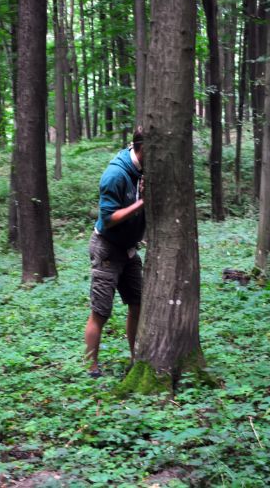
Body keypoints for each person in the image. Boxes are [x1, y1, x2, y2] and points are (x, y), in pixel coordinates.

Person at [84, 127, 145, 377]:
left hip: (129, 250)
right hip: (107, 249)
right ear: (142, 148)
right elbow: (109, 218)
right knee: (101, 311)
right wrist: (142, 203)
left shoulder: (143, 169)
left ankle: (136, 358)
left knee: (138, 303)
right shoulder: (115, 174)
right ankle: (92, 367)